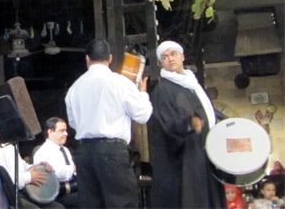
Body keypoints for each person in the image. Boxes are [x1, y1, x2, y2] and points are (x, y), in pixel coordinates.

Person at [64, 38, 152, 208]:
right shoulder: (120, 83)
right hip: (112, 151)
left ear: (87, 59)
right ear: (110, 58)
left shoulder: (74, 88)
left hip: (85, 152)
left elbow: (74, 123)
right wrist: (142, 94)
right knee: (121, 203)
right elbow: (143, 115)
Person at [149, 40, 226, 208]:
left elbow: (209, 113)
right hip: (186, 160)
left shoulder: (194, 86)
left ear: (182, 57)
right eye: (164, 57)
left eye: (173, 54)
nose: (170, 59)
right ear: (161, 63)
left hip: (205, 154)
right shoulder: (163, 90)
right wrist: (189, 124)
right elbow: (166, 124)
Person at [0, 117, 61, 209]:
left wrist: (39, 166)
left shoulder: (5, 145)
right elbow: (2, 179)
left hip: (20, 193)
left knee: (57, 207)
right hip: (8, 197)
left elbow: (22, 167)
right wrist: (29, 177)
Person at [33, 117, 79, 208]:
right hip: (57, 194)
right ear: (50, 132)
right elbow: (55, 174)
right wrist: (74, 168)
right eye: (61, 131)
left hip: (73, 188)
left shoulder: (64, 149)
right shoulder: (42, 152)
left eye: (66, 130)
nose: (66, 134)